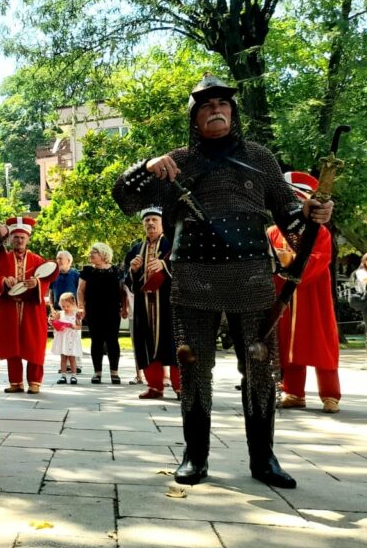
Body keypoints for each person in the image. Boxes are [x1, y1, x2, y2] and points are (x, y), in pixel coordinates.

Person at [113, 73, 333, 488]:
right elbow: (125, 197)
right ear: (195, 116)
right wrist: (146, 165)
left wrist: (310, 216)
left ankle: (263, 458)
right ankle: (195, 457)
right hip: (193, 276)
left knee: (260, 365)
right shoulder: (177, 162)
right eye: (207, 105)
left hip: (250, 275)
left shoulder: (261, 159)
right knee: (194, 365)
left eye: (223, 104)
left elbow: (288, 216)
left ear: (233, 112)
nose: (216, 109)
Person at [268, 171, 341, 413]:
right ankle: (293, 392)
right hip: (283, 296)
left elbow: (321, 259)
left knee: (322, 343)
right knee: (287, 344)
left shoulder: (319, 230)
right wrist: (276, 266)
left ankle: (330, 394)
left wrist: (293, 266)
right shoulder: (272, 231)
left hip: (312, 295)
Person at [0, 217, 57, 394]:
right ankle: (16, 382)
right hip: (10, 308)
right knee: (12, 344)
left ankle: (35, 381)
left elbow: (47, 279)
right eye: (16, 237)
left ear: (28, 239)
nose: (19, 240)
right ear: (11, 238)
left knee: (34, 343)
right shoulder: (2, 260)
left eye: (22, 237)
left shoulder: (38, 260)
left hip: (31, 308)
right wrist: (5, 280)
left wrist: (37, 284)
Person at [124, 207, 179, 400]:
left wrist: (165, 265)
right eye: (146, 221)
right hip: (144, 305)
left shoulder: (173, 245)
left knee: (173, 343)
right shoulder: (135, 249)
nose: (150, 223)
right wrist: (134, 270)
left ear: (162, 223)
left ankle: (181, 387)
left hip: (169, 304)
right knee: (146, 344)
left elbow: (185, 269)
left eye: (154, 219)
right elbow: (128, 282)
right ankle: (155, 387)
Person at [78, 242, 128, 385]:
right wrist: (81, 307)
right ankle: (97, 373)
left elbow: (122, 291)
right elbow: (80, 290)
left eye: (94, 252)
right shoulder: (87, 271)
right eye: (91, 251)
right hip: (93, 310)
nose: (91, 254)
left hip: (112, 310)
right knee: (96, 340)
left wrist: (124, 308)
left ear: (103, 254)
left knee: (113, 340)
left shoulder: (116, 271)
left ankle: (114, 373)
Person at [52, 292, 83, 385]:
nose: (65, 308)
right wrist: (54, 322)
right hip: (63, 338)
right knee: (63, 357)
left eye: (67, 306)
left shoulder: (75, 314)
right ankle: (63, 376)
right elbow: (55, 323)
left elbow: (79, 326)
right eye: (63, 306)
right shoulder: (60, 314)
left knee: (72, 357)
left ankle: (74, 376)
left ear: (73, 304)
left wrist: (74, 326)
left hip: (71, 338)